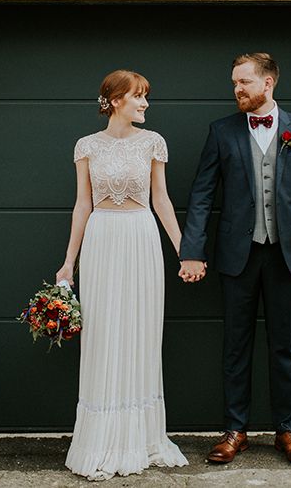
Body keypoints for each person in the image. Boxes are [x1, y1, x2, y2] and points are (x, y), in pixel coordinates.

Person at [179, 53, 291, 464]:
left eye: (244, 82)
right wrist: (192, 250)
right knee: (235, 346)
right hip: (236, 257)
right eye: (234, 83)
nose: (237, 90)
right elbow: (202, 194)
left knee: (285, 347)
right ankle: (235, 429)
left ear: (268, 84)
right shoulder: (222, 131)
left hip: (287, 258)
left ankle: (288, 430)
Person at [56, 69, 189, 480]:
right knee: (103, 334)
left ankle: (141, 437)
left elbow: (162, 199)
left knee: (139, 332)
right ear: (115, 101)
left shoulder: (153, 142)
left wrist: (185, 250)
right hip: (101, 239)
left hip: (141, 238)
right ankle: (102, 439)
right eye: (138, 97)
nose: (145, 104)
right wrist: (68, 263)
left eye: (146, 97)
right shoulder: (86, 146)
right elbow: (82, 205)